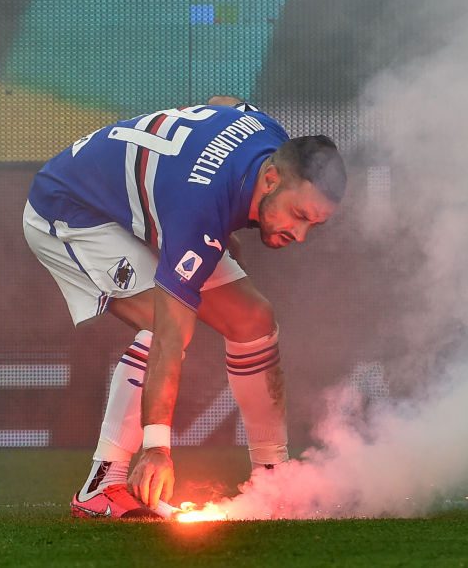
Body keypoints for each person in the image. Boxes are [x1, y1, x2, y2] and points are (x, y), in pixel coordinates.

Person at [22, 96, 347, 518]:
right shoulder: (200, 214)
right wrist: (157, 448)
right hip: (71, 211)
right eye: (298, 215)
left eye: (313, 225)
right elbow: (171, 337)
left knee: (254, 320)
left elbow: (224, 104)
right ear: (270, 180)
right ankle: (102, 484)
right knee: (166, 324)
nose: (300, 235)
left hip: (155, 207)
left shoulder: (270, 139)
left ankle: (273, 481)